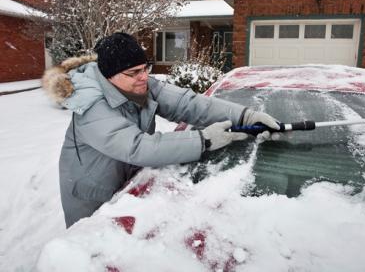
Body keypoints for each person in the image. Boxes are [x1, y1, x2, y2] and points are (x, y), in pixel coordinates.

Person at [42, 32, 280, 228]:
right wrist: (204, 140)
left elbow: (189, 104)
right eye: (133, 73)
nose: (143, 77)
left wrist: (245, 115)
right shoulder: (91, 106)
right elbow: (137, 147)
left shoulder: (142, 85)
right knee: (90, 255)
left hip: (126, 182)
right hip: (91, 193)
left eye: (145, 68)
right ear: (109, 76)